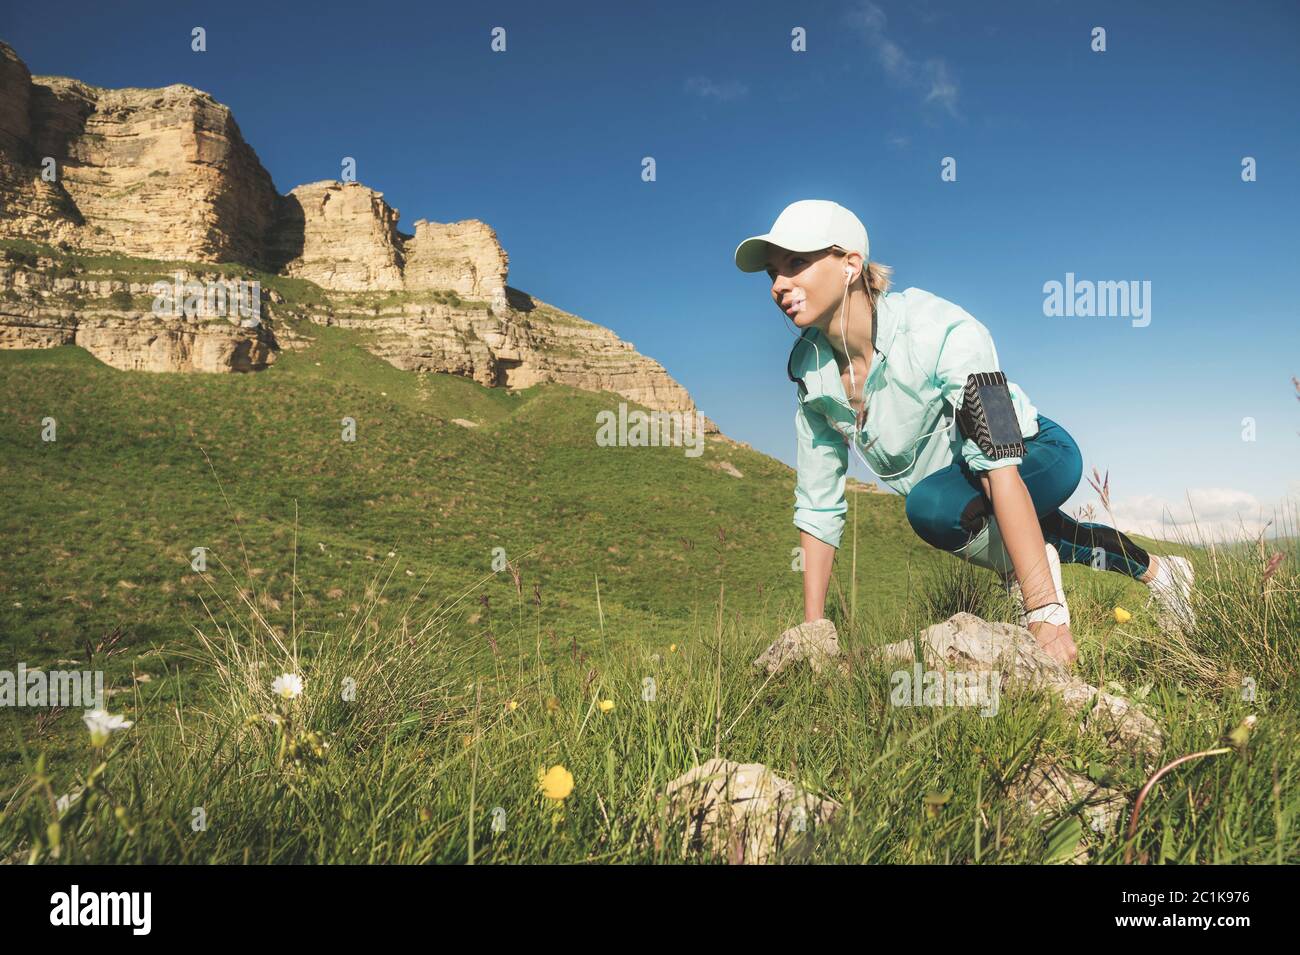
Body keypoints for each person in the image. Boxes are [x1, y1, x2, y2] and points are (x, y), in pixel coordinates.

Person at [734, 199, 1194, 667]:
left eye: (796, 263)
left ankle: (1035, 575)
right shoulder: (809, 374)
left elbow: (997, 455)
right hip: (962, 487)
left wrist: (1044, 609)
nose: (779, 285)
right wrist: (815, 635)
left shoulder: (942, 327)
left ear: (850, 263)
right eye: (772, 272)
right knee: (1051, 534)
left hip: (1032, 452)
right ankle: (1165, 575)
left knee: (935, 508)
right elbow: (817, 502)